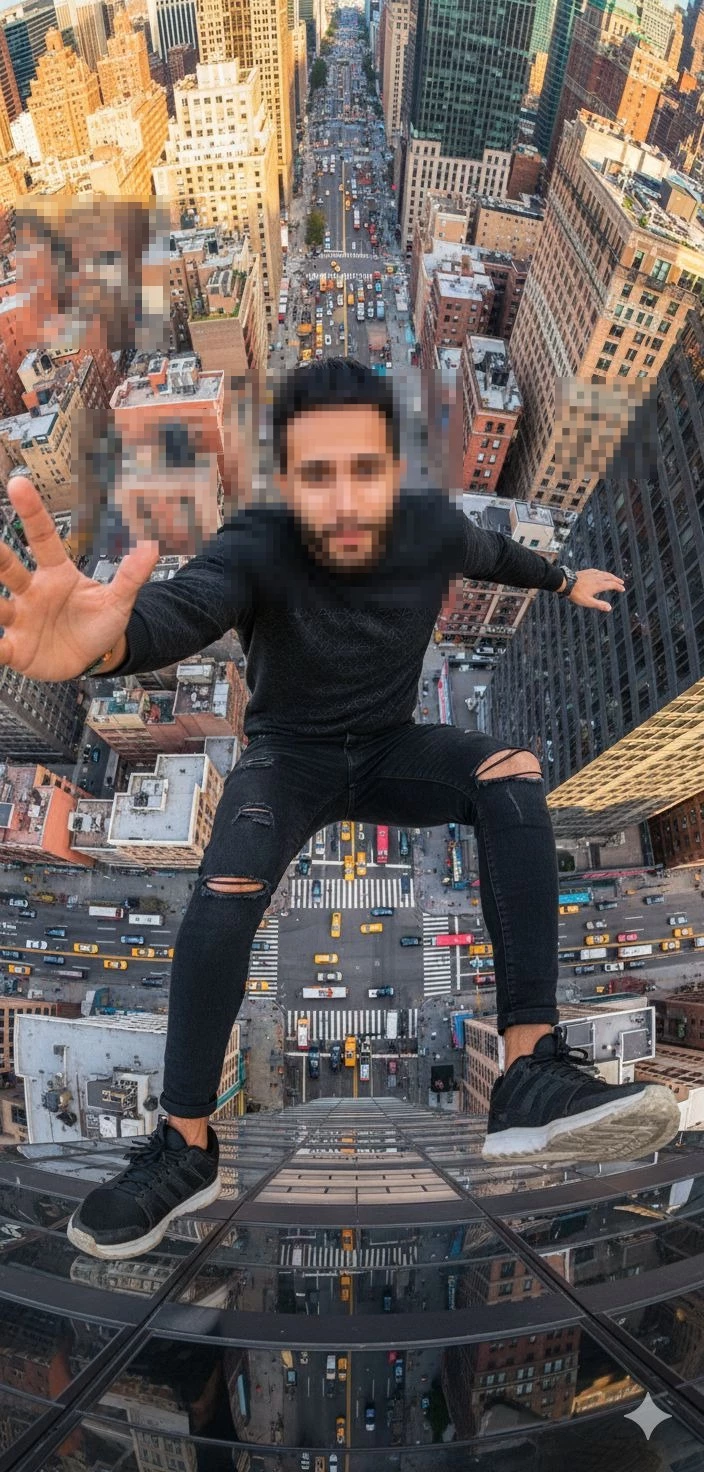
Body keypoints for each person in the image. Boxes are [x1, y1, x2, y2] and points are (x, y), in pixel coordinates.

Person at [0, 359, 680, 1261]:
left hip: (394, 746)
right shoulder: (256, 546)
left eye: (364, 469)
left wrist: (562, 582)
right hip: (290, 759)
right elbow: (184, 608)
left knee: (513, 770)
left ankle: (528, 1068)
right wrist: (107, 645)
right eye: (318, 476)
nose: (346, 500)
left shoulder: (430, 530)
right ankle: (184, 1145)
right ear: (287, 483)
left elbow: (497, 554)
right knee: (226, 888)